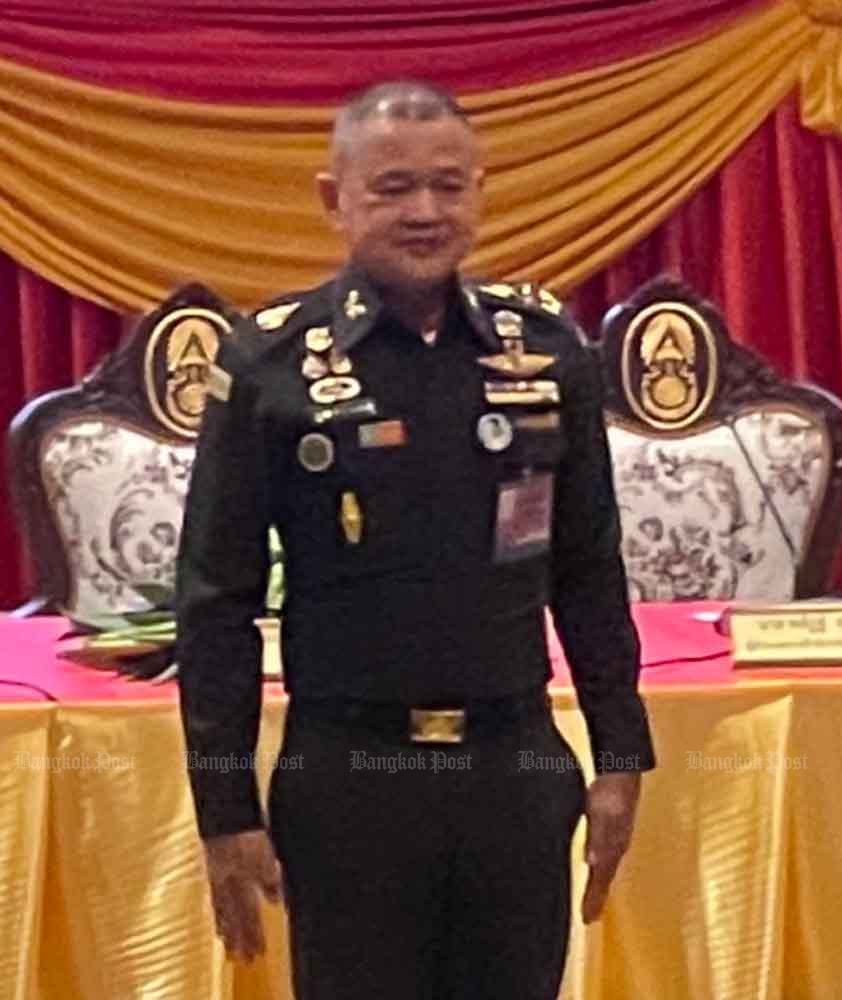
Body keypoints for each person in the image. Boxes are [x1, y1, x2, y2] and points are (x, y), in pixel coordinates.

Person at [175, 80, 654, 1000]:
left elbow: (589, 568)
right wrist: (223, 808)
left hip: (513, 768)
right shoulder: (270, 363)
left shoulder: (548, 351)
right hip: (347, 778)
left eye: (450, 185)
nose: (426, 212)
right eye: (394, 188)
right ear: (334, 198)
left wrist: (621, 755)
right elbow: (216, 604)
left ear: (480, 190)